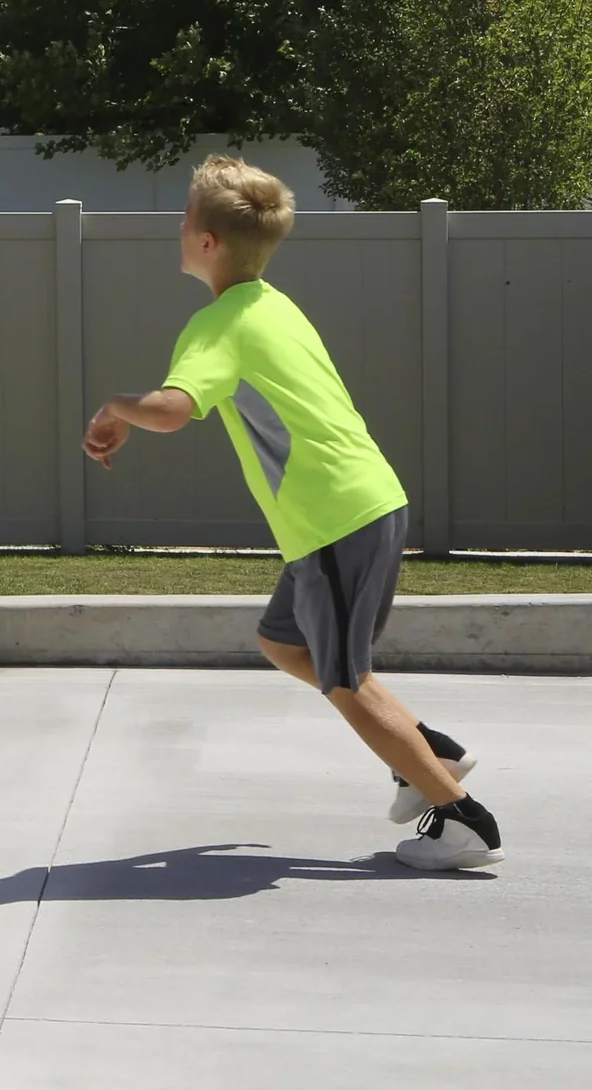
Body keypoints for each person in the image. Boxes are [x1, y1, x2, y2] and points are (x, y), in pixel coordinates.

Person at [83, 155, 503, 871]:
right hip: (353, 511)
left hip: (336, 521)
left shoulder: (218, 325)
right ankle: (430, 753)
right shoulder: (272, 304)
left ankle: (464, 822)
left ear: (209, 242)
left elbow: (173, 410)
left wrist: (114, 408)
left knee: (344, 679)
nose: (179, 228)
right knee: (285, 643)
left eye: (185, 219)